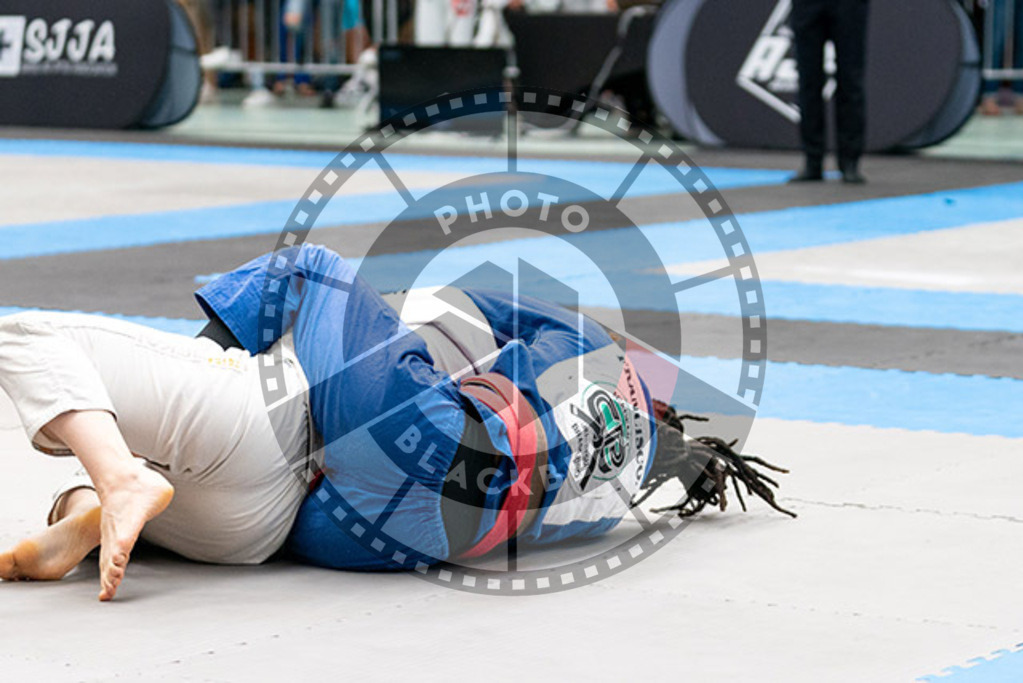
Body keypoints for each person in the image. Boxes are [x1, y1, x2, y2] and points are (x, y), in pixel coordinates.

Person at [0, 245, 793, 599]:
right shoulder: (615, 497)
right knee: (255, 461)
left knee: (312, 270)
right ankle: (90, 509)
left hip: (391, 473)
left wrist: (366, 326)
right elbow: (564, 512)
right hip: (411, 538)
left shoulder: (594, 345)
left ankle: (146, 432)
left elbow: (451, 305)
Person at [789, 0, 870, 184]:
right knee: (808, 80)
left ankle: (850, 161)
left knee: (850, 79)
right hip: (807, 6)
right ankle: (812, 160)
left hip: (848, 6)